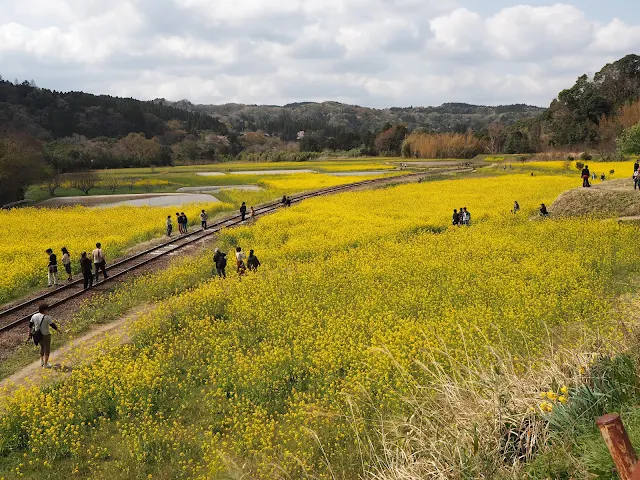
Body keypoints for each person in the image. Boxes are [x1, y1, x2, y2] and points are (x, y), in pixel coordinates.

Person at [28, 304, 60, 369]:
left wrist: (29, 334)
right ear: (45, 310)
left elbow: (30, 325)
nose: (48, 311)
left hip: (37, 335)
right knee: (47, 349)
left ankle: (42, 361)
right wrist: (59, 331)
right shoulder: (47, 317)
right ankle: (46, 364)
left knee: (42, 347)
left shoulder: (34, 316)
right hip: (46, 335)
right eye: (47, 310)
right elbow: (53, 325)